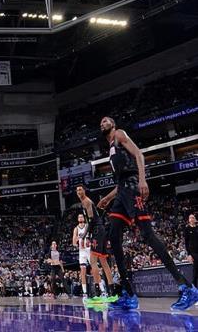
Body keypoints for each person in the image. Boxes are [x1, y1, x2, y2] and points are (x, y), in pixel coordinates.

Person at [98, 116, 198, 310]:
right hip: (122, 192)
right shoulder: (110, 149)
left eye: (106, 121)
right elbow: (121, 181)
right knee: (114, 237)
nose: (103, 123)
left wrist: (142, 180)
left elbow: (139, 154)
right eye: (101, 122)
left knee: (147, 235)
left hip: (133, 187)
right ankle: (128, 293)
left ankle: (186, 287)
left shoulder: (119, 134)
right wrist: (108, 198)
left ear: (113, 124)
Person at [76, 184, 117, 304]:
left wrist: (85, 236)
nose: (78, 191)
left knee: (93, 261)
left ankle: (99, 294)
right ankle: (112, 293)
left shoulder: (87, 202)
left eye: (80, 189)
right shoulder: (85, 202)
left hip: (97, 230)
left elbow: (91, 221)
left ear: (84, 191)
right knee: (103, 262)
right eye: (77, 190)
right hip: (100, 230)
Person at [72, 213, 90, 300]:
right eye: (79, 217)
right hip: (82, 251)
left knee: (95, 269)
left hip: (89, 249)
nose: (80, 218)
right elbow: (73, 242)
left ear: (84, 218)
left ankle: (102, 290)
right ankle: (85, 292)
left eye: (81, 216)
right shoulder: (76, 229)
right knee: (83, 272)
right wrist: (77, 240)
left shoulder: (87, 226)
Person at [184, 213, 198, 287]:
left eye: (193, 217)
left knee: (196, 269)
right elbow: (186, 242)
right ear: (189, 220)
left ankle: (194, 286)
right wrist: (189, 254)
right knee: (196, 268)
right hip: (193, 252)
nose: (192, 219)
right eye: (190, 218)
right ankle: (194, 287)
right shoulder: (187, 229)